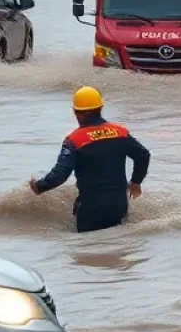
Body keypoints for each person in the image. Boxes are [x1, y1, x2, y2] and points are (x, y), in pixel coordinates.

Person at [30, 86, 150, 233]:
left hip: (91, 210)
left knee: (89, 245)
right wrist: (136, 182)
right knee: (117, 242)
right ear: (100, 108)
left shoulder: (74, 140)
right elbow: (143, 155)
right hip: (119, 206)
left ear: (77, 113)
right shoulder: (120, 133)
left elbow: (60, 174)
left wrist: (40, 186)